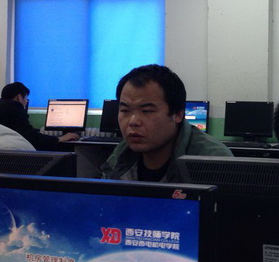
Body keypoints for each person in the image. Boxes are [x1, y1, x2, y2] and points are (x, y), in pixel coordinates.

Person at [100, 64, 233, 182]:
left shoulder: (214, 161)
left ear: (178, 114)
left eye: (146, 111)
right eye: (125, 110)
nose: (133, 122)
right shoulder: (122, 153)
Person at [0, 82, 79, 150]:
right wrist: (60, 138)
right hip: (15, 151)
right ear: (19, 97)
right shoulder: (15, 107)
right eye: (26, 98)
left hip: (1, 151)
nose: (26, 102)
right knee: (66, 149)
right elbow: (31, 137)